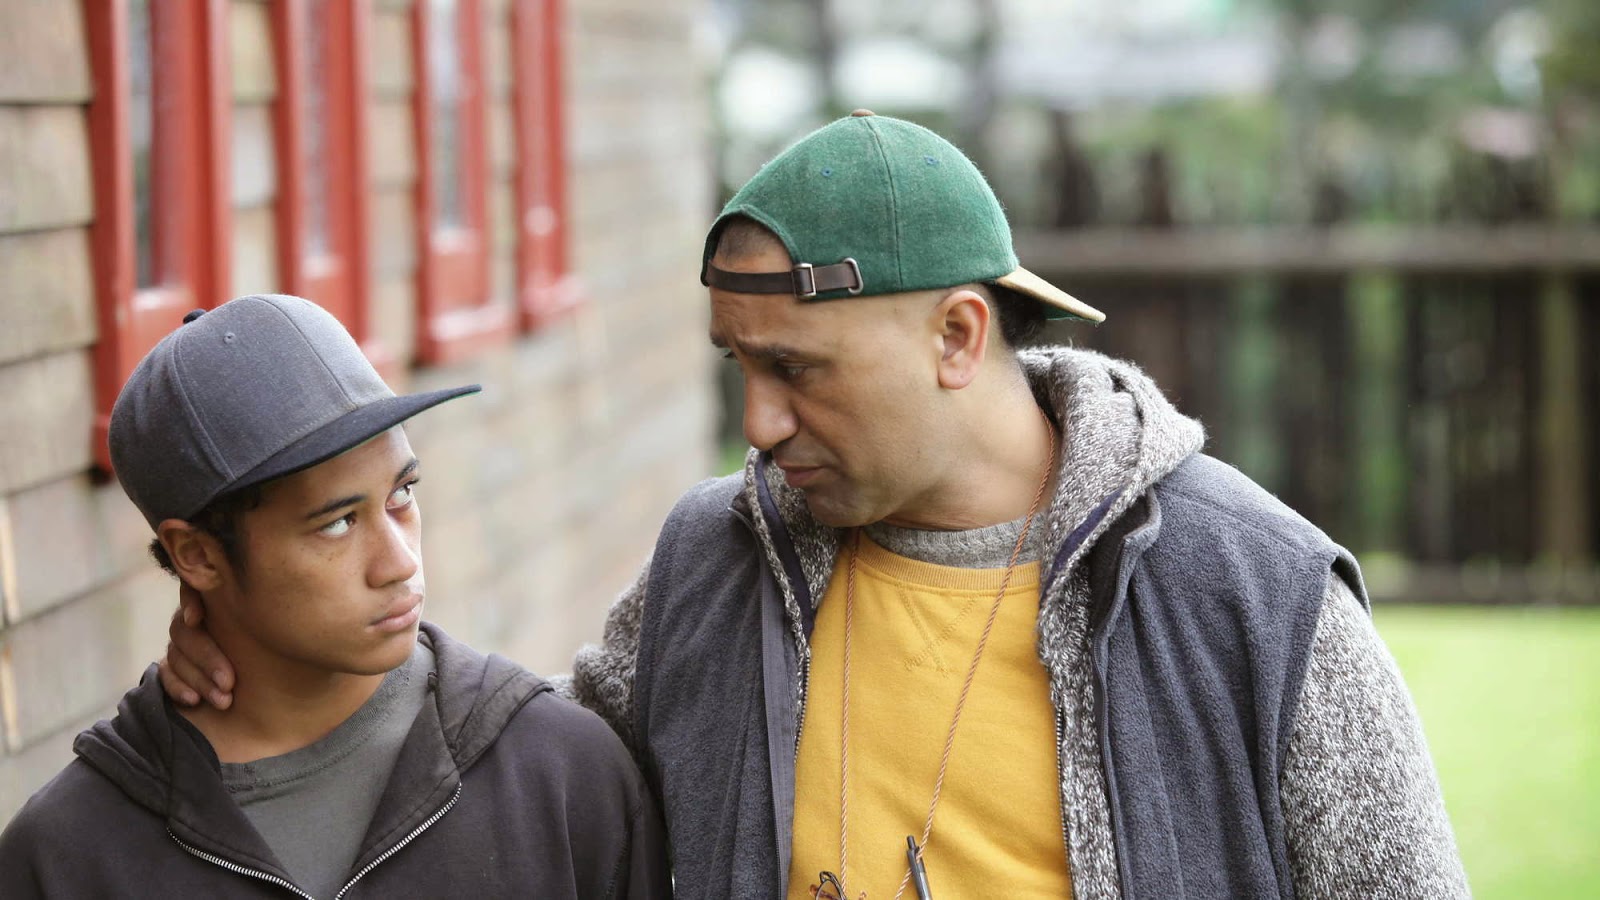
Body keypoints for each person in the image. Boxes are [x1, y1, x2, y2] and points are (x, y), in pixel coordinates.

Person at [162, 116, 1469, 899]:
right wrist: (261, 641)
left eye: (797, 370)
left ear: (958, 334)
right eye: (739, 367)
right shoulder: (712, 562)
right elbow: (518, 789)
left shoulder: (1255, 595)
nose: (758, 423)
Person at [0, 294, 668, 899]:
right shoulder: (65, 860)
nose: (399, 563)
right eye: (338, 523)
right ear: (197, 555)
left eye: (401, 495)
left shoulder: (562, 775)